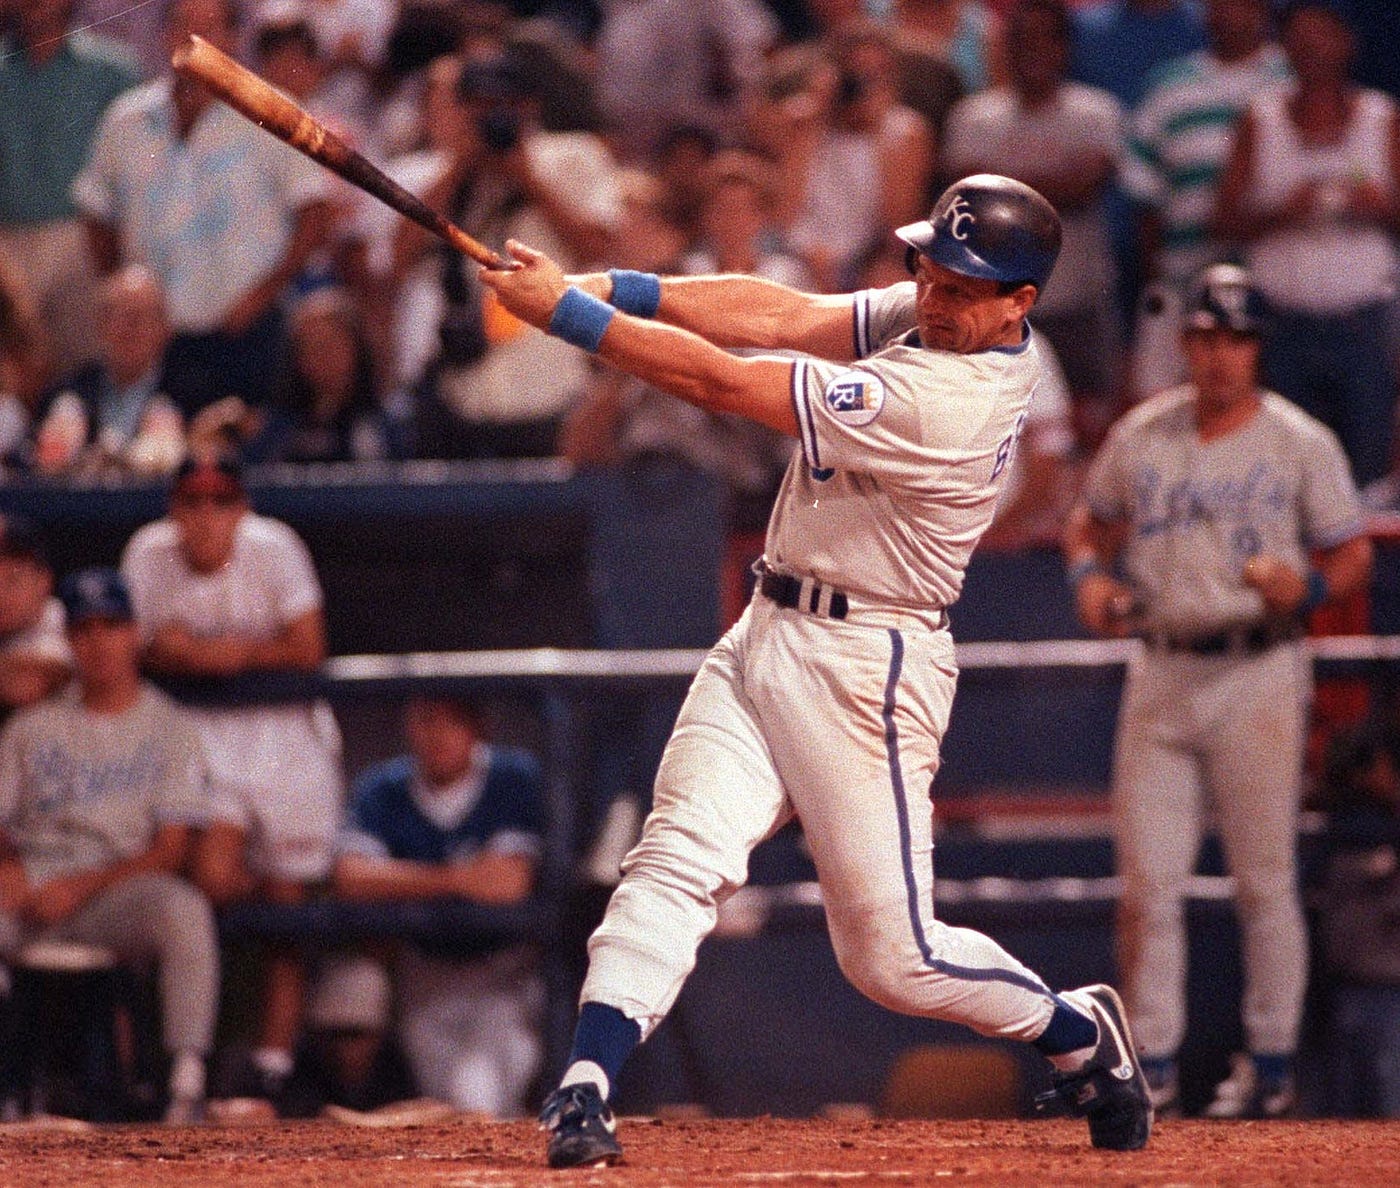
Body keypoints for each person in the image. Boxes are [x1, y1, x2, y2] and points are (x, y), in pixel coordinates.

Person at [478, 173, 1153, 1167]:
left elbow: (728, 383)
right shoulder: (933, 318)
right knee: (674, 855)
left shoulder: (954, 397)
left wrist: (571, 319)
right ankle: (586, 1082)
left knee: (893, 960)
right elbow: (779, 311)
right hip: (766, 627)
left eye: (964, 287)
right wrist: (608, 284)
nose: (935, 294)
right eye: (930, 269)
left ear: (1021, 304)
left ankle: (1077, 1032)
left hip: (867, 665)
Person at [1061, 263, 1374, 1119]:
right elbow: (1088, 516)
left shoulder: (1297, 440)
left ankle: (1268, 1067)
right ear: (1187, 344)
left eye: (1234, 339)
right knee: (1147, 885)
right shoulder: (1144, 433)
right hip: (1161, 666)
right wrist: (1090, 577)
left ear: (1256, 348)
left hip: (1258, 669)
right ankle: (1150, 1065)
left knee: (1263, 880)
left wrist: (1307, 591)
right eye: (1204, 338)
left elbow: (1352, 553)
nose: (1219, 356)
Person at [119, 454, 344, 1112]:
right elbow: (133, 649)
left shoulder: (274, 547)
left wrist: (228, 655)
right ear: (174, 509)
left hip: (286, 738)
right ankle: (197, 1057)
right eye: (193, 503)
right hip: (203, 737)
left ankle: (270, 1072)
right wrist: (171, 655)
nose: (206, 518)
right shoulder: (148, 553)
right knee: (211, 879)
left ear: (240, 509)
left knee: (286, 903)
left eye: (220, 504)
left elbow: (309, 646)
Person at [0, 567, 218, 1124]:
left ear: (134, 634)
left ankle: (184, 1085)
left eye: (113, 626)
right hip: (32, 889)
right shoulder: (32, 727)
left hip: (114, 892)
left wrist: (80, 887)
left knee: (183, 908)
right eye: (86, 629)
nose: (100, 642)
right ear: (69, 640)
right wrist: (10, 866)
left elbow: (173, 849)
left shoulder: (170, 726)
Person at [71, 0, 337, 418]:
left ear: (233, 38)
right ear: (162, 35)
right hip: (159, 339)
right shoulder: (127, 118)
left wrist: (261, 296)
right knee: (158, 458)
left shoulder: (272, 109)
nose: (196, 39)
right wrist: (127, 297)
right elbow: (96, 212)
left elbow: (316, 212)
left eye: (210, 27)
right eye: (183, 26)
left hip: (249, 329)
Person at [309, 695, 545, 1117]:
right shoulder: (383, 786)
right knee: (456, 1102)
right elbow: (350, 878)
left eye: (451, 722)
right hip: (424, 973)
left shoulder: (512, 776)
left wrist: (403, 879)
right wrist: (458, 877)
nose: (437, 735)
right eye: (426, 720)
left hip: (503, 976)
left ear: (476, 728)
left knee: (480, 1096)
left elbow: (509, 882)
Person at [1211, 0, 1400, 490]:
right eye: (1300, 41)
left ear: (1347, 44)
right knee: (1283, 469)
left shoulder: (1381, 117)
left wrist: (1378, 207)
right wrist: (1281, 212)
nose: (1311, 52)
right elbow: (1222, 219)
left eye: (1322, 39)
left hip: (1363, 325)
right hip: (1281, 325)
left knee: (1367, 467)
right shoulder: (1262, 116)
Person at [943, 0, 1126, 449]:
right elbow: (972, 204)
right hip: (995, 305)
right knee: (997, 434)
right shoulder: (973, 118)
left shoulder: (1095, 112)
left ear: (1064, 47)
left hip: (1079, 302)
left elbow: (1085, 187)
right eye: (1022, 40)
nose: (1033, 51)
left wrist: (1003, 182)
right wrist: (1054, 180)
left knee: (1089, 435)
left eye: (1046, 39)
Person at [1118, 0, 1288, 401]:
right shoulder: (1167, 84)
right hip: (1179, 281)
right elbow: (1144, 194)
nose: (1230, 12)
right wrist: (1157, 280)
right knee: (1158, 404)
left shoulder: (1291, 79)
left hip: (1269, 290)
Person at [0, 0, 140, 375]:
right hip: (8, 244)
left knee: (85, 362)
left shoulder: (111, 70)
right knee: (16, 367)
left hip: (82, 239)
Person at [29, 264, 185, 479]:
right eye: (118, 315)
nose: (130, 328)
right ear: (100, 325)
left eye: (141, 317)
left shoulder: (194, 396)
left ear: (166, 328)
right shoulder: (67, 391)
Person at [0, 516, 71, 720]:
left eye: (13, 580)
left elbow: (25, 687)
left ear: (44, 581)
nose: (1, 593)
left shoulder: (60, 620)